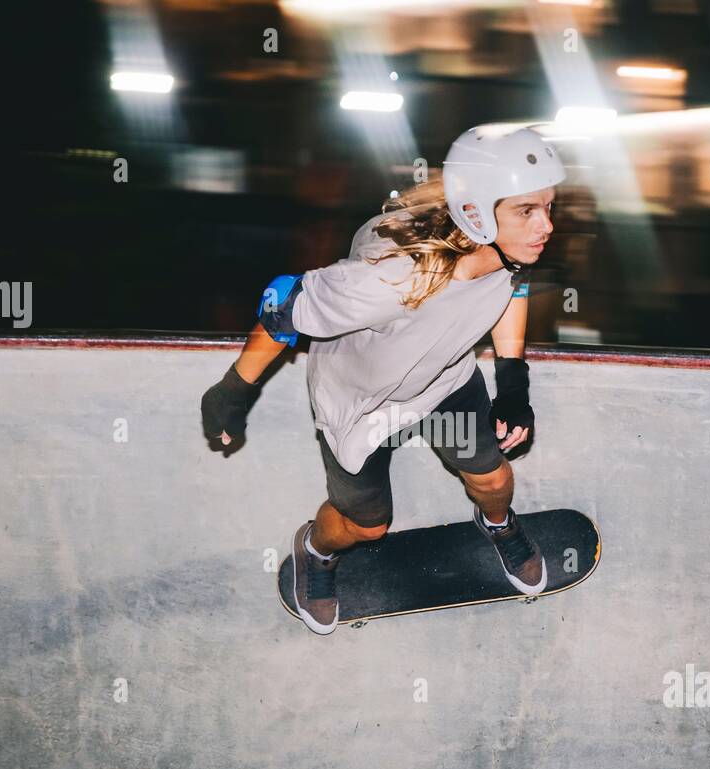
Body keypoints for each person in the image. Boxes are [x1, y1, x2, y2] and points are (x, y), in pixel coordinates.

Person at [201, 125, 564, 634]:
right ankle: (315, 550)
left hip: (442, 385)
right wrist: (233, 391)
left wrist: (512, 383)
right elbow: (282, 303)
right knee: (366, 527)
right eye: (527, 210)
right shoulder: (393, 278)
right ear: (477, 212)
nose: (545, 225)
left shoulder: (509, 252)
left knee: (495, 479)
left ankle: (497, 524)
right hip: (362, 407)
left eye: (549, 206)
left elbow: (512, 289)